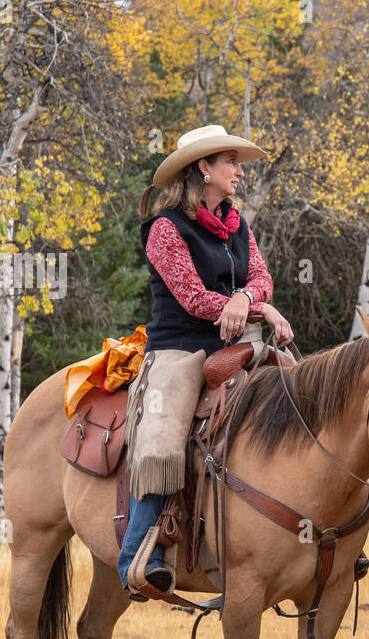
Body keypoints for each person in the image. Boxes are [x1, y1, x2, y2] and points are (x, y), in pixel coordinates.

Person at [120, 124, 293, 599]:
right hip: (178, 349)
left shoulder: (237, 224)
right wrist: (245, 306)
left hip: (235, 347)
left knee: (303, 398)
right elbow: (192, 298)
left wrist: (249, 299)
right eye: (230, 163)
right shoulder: (165, 229)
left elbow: (261, 278)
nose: (240, 171)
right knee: (163, 436)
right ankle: (140, 558)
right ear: (204, 168)